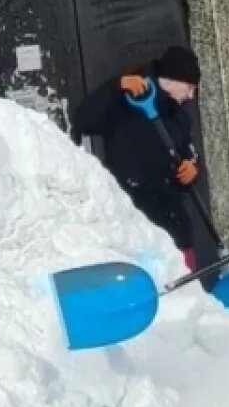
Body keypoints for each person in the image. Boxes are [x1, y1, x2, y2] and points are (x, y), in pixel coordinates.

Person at [73, 45, 203, 271]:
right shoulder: (125, 103)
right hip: (134, 216)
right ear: (171, 80)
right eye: (189, 87)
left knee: (187, 291)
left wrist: (193, 168)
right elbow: (83, 119)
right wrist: (116, 86)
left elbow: (189, 154)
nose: (191, 96)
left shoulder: (180, 118)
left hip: (173, 220)